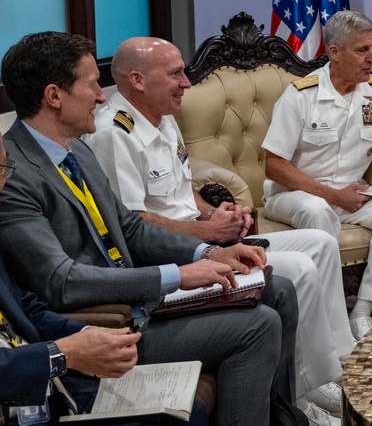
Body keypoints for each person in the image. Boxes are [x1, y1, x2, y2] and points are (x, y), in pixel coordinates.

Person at [0, 31, 298, 426]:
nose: (102, 96)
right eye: (92, 85)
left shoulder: (76, 149)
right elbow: (62, 281)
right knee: (258, 326)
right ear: (54, 96)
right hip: (104, 318)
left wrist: (208, 254)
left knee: (276, 290)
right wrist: (175, 276)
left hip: (137, 296)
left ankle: (278, 416)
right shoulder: (13, 172)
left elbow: (130, 228)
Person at [84, 37, 352, 424]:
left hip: (202, 237)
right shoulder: (115, 133)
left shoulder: (162, 118)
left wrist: (217, 212)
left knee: (322, 243)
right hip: (175, 253)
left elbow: (182, 190)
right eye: (175, 74)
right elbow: (134, 222)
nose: (186, 83)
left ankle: (331, 367)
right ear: (139, 80)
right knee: (299, 270)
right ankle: (306, 390)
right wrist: (208, 234)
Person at [262, 10, 372, 339]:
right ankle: (331, 323)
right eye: (362, 50)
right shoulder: (301, 96)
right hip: (293, 196)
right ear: (335, 53)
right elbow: (274, 165)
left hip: (349, 194)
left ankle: (363, 311)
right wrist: (334, 196)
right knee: (318, 208)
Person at [0, 132, 153, 424]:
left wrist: (83, 335)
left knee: (181, 410)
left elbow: (25, 308)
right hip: (20, 397)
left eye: (5, 168)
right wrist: (63, 354)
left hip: (48, 388)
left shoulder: (79, 150)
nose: (3, 184)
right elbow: (61, 281)